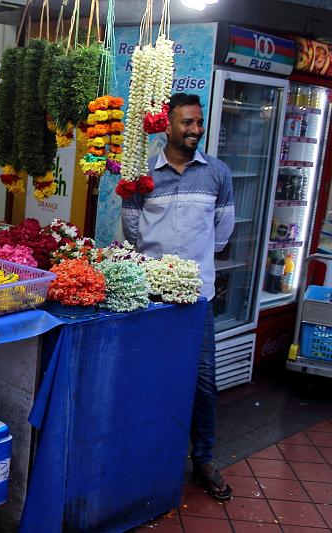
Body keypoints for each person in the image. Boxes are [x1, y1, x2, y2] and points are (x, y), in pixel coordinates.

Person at [121, 92, 235, 501]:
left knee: (203, 382)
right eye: (187, 122)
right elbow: (133, 230)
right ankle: (145, 455)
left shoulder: (217, 173)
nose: (195, 129)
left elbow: (222, 235)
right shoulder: (143, 176)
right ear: (166, 125)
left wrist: (190, 267)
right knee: (147, 377)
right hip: (151, 298)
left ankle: (203, 459)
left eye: (198, 122)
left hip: (197, 299)